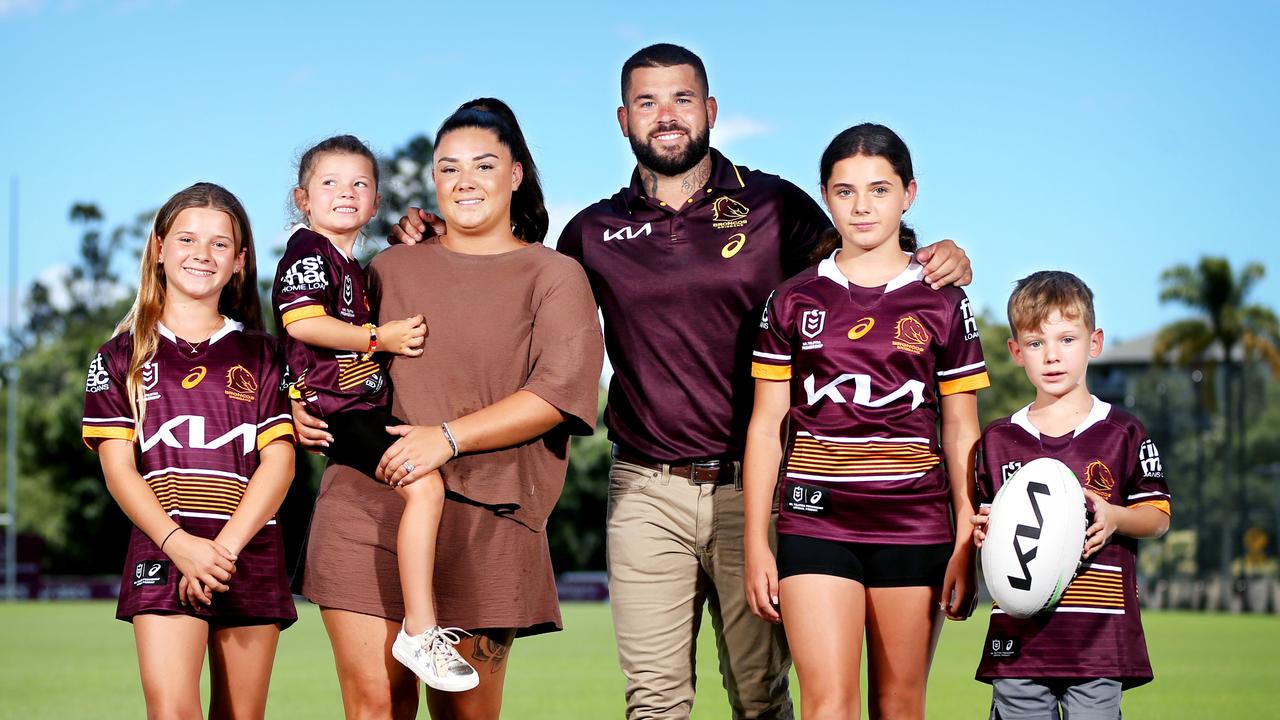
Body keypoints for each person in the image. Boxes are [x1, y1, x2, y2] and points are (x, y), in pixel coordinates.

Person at [395, 44, 973, 720]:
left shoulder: (774, 206)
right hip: (644, 489)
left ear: (711, 110)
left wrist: (938, 253)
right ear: (622, 119)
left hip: (751, 487)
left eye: (681, 99)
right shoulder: (592, 231)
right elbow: (514, 262)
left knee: (759, 696)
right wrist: (440, 231)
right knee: (655, 703)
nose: (665, 115)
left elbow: (868, 259)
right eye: (647, 102)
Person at [295, 98, 604, 720]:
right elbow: (318, 347)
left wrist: (446, 438)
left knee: (465, 713)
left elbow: (558, 393)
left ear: (515, 175)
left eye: (484, 165)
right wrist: (298, 406)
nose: (464, 181)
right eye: (448, 167)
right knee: (374, 707)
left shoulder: (556, 275)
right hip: (365, 505)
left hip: (490, 519)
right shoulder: (388, 266)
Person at [743, 123, 987, 719]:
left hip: (916, 525)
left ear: (909, 194)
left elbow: (961, 430)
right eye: (845, 190)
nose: (862, 206)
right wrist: (756, 541)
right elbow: (766, 425)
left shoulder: (944, 301)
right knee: (827, 705)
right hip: (815, 520)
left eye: (879, 190)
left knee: (900, 705)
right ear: (825, 196)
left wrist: (964, 537)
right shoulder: (794, 299)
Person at [81, 182, 296, 719]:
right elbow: (118, 470)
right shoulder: (119, 356)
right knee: (173, 712)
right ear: (159, 248)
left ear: (241, 261)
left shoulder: (265, 354)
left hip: (247, 549)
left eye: (220, 244)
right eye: (187, 239)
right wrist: (182, 546)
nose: (202, 254)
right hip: (163, 547)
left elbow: (280, 463)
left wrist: (220, 551)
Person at [270, 135, 476, 691]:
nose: (347, 192)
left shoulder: (350, 263)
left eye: (360, 183)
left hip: (357, 404)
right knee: (426, 487)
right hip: (341, 411)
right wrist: (378, 337)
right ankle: (420, 629)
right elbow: (302, 325)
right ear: (302, 199)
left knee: (423, 482)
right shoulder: (308, 252)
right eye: (330, 183)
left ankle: (419, 624)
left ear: (376, 197)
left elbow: (293, 351)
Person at [971, 271, 1172, 720]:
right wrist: (983, 534)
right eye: (1037, 343)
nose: (1053, 356)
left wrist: (1117, 518)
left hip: (1098, 636)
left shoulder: (1123, 432)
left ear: (1094, 343)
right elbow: (982, 521)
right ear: (1016, 352)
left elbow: (1158, 515)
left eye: (1067, 339)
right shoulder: (998, 439)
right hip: (1019, 637)